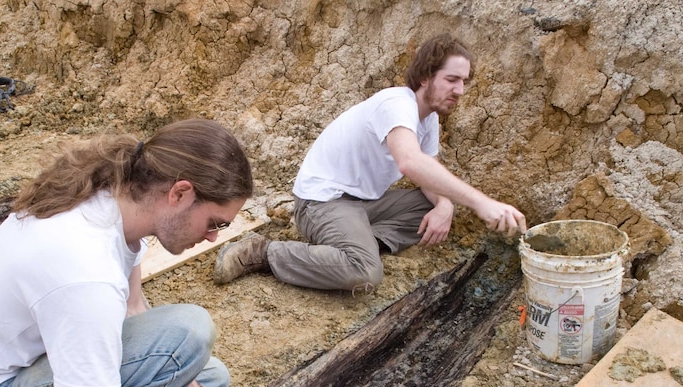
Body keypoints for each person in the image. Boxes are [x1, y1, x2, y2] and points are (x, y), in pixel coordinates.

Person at [0, 119, 278, 387]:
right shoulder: (86, 272)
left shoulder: (121, 202)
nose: (213, 237)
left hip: (32, 351)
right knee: (189, 333)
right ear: (179, 193)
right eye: (215, 222)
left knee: (208, 375)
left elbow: (134, 311)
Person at [213, 33, 527, 292]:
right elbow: (410, 163)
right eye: (452, 79)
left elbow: (428, 177)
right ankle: (262, 252)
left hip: (362, 204)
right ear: (424, 77)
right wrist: (482, 203)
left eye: (464, 82)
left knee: (433, 206)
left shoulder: (428, 120)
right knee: (364, 274)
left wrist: (445, 206)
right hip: (321, 204)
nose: (459, 90)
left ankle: (354, 243)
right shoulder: (396, 104)